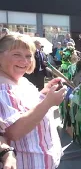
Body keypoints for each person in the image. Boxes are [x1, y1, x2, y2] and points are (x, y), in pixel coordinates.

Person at [0, 34, 66, 168]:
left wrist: (44, 93)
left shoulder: (22, 81)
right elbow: (14, 131)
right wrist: (47, 103)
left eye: (28, 56)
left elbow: (27, 109)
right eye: (16, 54)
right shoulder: (3, 88)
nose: (24, 61)